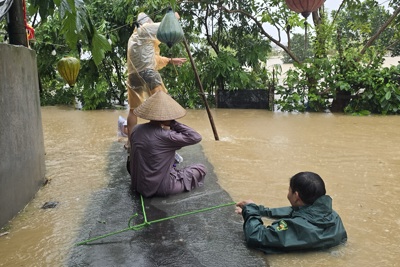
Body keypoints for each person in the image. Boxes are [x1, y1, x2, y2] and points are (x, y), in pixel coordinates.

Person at [235, 171, 347, 254]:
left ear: (296, 196)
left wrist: (250, 211)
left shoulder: (297, 225)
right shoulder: (333, 215)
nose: (288, 193)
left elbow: (256, 236)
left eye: (289, 190)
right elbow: (296, 211)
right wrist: (259, 210)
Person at [129, 91, 206, 197]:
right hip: (162, 187)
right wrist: (173, 123)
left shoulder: (136, 129)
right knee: (200, 168)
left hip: (138, 185)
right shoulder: (167, 136)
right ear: (167, 118)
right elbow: (196, 137)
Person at [126, 12, 187, 141]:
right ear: (146, 22)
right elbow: (166, 26)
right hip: (149, 74)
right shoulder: (145, 29)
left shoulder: (133, 38)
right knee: (162, 106)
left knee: (133, 110)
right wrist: (174, 16)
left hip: (133, 77)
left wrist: (170, 60)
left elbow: (151, 58)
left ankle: (131, 144)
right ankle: (164, 140)